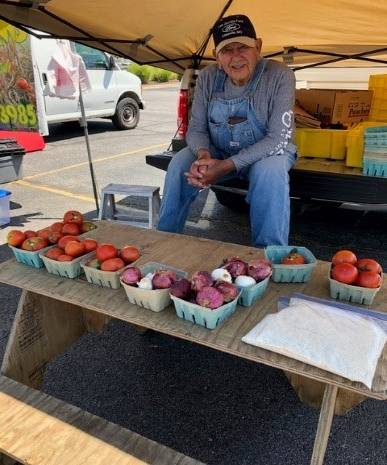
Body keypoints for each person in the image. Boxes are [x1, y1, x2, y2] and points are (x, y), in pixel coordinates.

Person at [157, 14, 297, 247]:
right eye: (227, 50)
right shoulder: (209, 77)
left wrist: (225, 166)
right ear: (217, 56)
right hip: (219, 151)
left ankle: (269, 254)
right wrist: (203, 156)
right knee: (180, 164)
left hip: (268, 153)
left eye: (243, 47)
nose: (236, 57)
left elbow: (276, 140)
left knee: (270, 172)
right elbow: (196, 129)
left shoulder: (280, 76)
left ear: (258, 46)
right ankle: (165, 241)